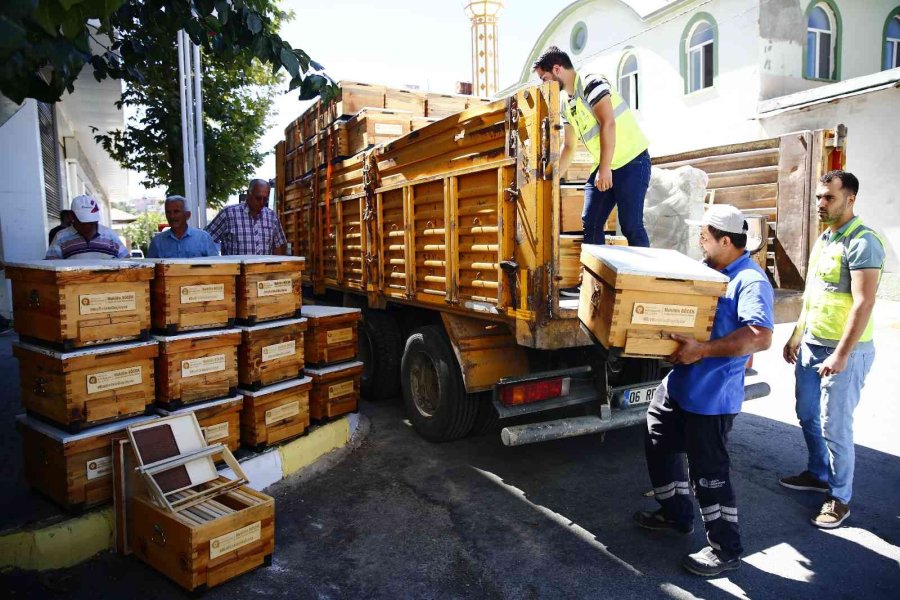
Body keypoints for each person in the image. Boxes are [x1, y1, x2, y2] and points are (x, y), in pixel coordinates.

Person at [634, 204, 774, 577]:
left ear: (725, 241)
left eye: (705, 236)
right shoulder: (708, 270)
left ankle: (726, 549)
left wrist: (704, 351)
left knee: (709, 476)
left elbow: (760, 337)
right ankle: (676, 515)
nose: (699, 240)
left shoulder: (749, 280)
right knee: (658, 443)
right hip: (678, 388)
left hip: (711, 399)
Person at [780, 171, 885, 529]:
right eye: (819, 197)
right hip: (811, 344)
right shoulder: (825, 238)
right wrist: (796, 335)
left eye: (829, 198)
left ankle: (840, 498)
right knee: (807, 413)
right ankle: (817, 472)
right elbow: (813, 294)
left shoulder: (863, 241)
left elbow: (863, 303)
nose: (822, 204)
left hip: (846, 352)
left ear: (850, 199)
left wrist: (841, 354)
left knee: (835, 426)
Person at [533, 46, 651, 297]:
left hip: (632, 162)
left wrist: (605, 168)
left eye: (545, 79)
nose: (545, 85)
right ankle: (590, 286)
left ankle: (644, 286)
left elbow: (608, 123)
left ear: (557, 69)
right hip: (607, 165)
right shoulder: (567, 104)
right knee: (592, 221)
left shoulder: (591, 82)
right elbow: (569, 146)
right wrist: (551, 177)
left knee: (631, 225)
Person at [206, 179, 286, 256]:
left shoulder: (272, 217)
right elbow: (205, 240)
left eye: (265, 199)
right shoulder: (228, 214)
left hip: (264, 269)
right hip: (236, 269)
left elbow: (278, 247)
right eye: (258, 198)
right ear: (248, 194)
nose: (262, 202)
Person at [46, 195, 129, 259]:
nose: (88, 227)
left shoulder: (110, 236)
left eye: (92, 223)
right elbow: (52, 267)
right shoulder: (61, 238)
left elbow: (127, 261)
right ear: (71, 216)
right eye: (83, 222)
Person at [147, 195, 219, 258]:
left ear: (187, 215)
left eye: (176, 211)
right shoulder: (157, 242)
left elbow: (216, 267)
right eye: (168, 212)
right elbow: (149, 270)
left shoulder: (203, 238)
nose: (172, 216)